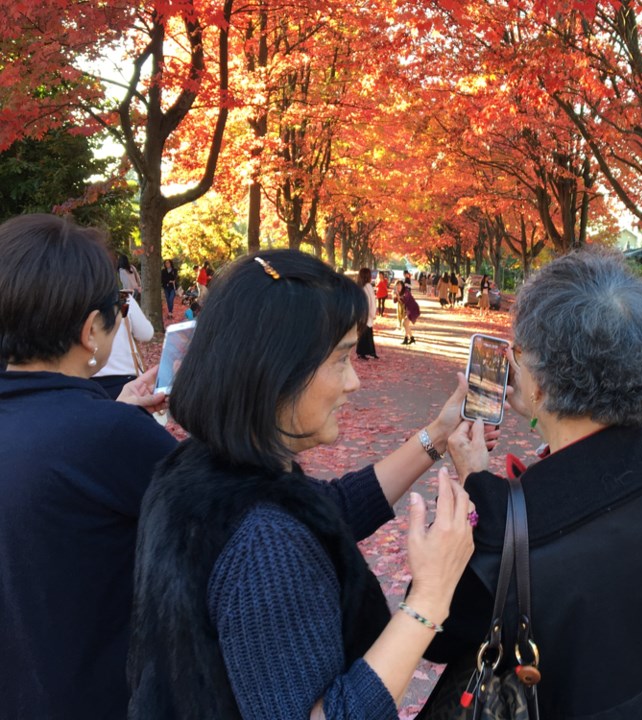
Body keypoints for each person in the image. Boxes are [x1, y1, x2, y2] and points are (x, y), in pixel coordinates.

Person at [127, 250, 490, 720]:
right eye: (340, 359)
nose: (354, 381)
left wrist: (438, 434)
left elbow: (325, 509)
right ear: (275, 369)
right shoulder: (265, 545)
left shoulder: (199, 469)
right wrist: (429, 598)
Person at [425, 250, 642, 718]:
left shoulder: (502, 524)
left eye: (519, 355)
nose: (510, 362)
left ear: (545, 384)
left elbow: (438, 634)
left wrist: (474, 484)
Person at [0, 213, 177, 719]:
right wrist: (425, 442)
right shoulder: (109, 436)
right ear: (89, 331)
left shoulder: (97, 429)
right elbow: (261, 515)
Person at [93, 292, 155, 399]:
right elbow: (146, 334)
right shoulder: (121, 298)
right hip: (126, 379)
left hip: (89, 382)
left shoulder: (76, 300)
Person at [356, 267, 379, 360]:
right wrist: (373, 313)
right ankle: (364, 352)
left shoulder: (359, 287)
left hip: (361, 314)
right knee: (366, 334)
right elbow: (371, 301)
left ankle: (367, 352)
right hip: (367, 314)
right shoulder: (368, 287)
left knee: (364, 333)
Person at [397, 280, 421, 346]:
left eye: (399, 285)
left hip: (413, 309)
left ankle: (406, 339)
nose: (398, 287)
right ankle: (411, 338)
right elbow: (395, 300)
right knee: (405, 324)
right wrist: (396, 297)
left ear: (402, 286)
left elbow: (405, 300)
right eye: (397, 285)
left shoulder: (406, 291)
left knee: (405, 323)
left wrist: (399, 298)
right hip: (408, 309)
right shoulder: (400, 292)